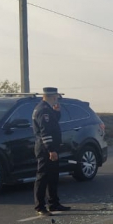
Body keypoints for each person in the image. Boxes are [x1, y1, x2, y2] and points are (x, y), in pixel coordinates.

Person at [32, 87, 70, 215]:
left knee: (53, 176)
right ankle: (40, 207)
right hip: (45, 149)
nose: (57, 99)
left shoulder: (47, 109)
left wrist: (57, 113)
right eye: (57, 97)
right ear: (53, 97)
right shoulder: (43, 110)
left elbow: (52, 125)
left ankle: (54, 203)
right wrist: (51, 150)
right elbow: (45, 132)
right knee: (43, 177)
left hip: (50, 148)